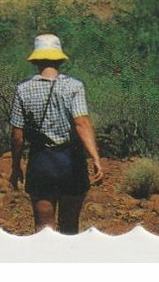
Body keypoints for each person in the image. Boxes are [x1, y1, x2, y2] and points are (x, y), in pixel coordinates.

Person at [8, 33, 104, 233]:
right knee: (70, 228)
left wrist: (16, 167)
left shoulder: (23, 90)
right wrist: (95, 158)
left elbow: (17, 135)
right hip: (72, 161)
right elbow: (81, 123)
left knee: (44, 230)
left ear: (36, 60)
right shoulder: (74, 86)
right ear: (59, 59)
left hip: (41, 161)